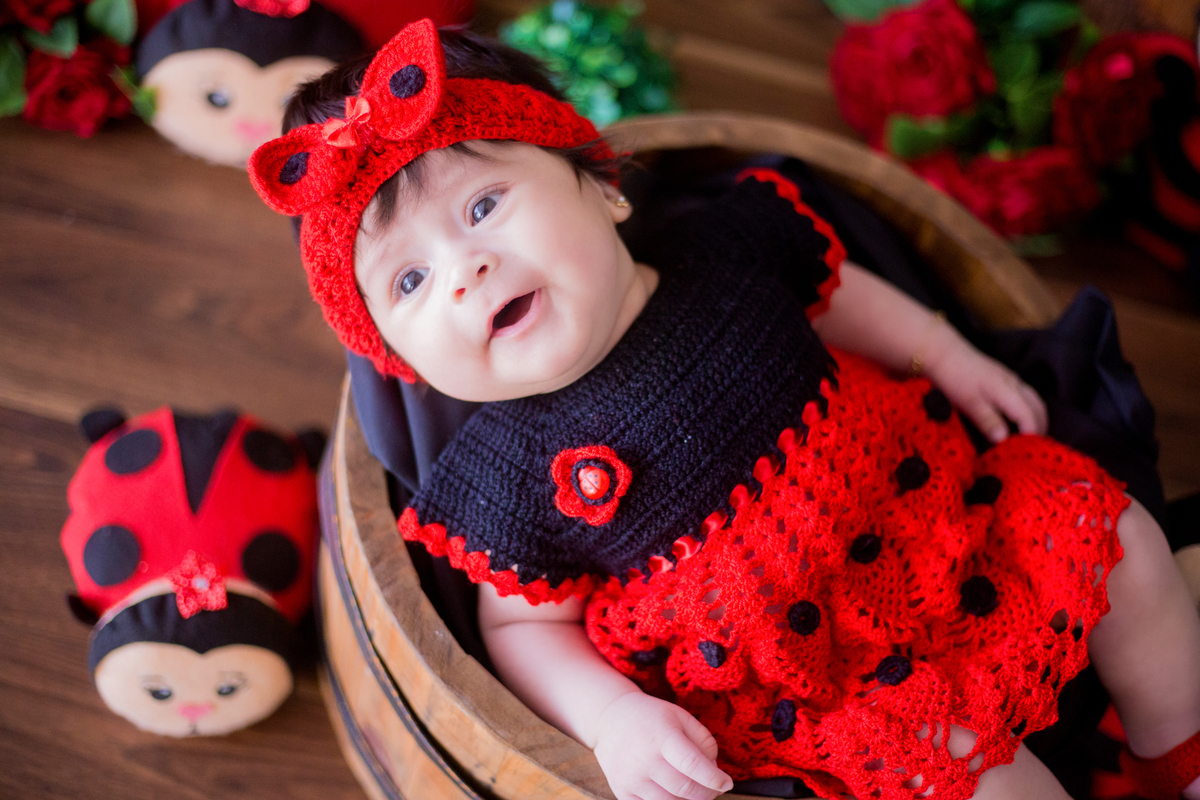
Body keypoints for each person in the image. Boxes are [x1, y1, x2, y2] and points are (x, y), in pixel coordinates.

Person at [249, 20, 1200, 800]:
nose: (465, 270)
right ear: (403, 363)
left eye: (484, 205)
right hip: (827, 682)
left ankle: (1177, 753)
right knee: (980, 782)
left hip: (947, 520)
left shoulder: (723, 248)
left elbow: (837, 292)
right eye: (409, 280)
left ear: (604, 188)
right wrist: (612, 718)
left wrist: (943, 351)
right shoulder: (507, 470)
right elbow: (525, 631)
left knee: (1127, 547)